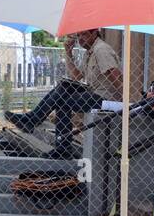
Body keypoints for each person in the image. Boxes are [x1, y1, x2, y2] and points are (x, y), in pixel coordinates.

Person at [7, 28, 123, 156]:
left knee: (63, 100)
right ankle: (33, 119)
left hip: (105, 98)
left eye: (84, 34)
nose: (80, 39)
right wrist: (68, 52)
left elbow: (115, 74)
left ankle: (61, 147)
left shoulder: (101, 49)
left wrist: (124, 100)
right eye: (78, 35)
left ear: (94, 33)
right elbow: (76, 76)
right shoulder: (89, 52)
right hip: (94, 93)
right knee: (64, 87)